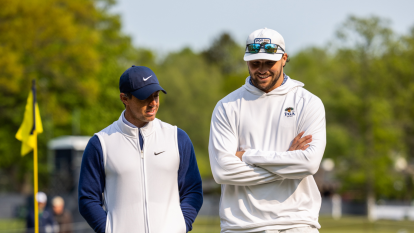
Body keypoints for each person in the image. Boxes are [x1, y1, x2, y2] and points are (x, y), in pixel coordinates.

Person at [209, 28, 326, 233]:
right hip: (241, 226)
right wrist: (288, 162)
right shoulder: (227, 106)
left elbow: (309, 163)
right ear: (247, 62)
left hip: (297, 224)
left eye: (269, 62)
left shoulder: (308, 103)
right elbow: (222, 171)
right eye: (255, 63)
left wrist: (247, 155)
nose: (261, 69)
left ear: (284, 59)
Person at [78, 65, 203, 233]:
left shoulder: (177, 138)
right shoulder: (100, 143)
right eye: (144, 98)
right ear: (124, 98)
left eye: (156, 96)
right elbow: (87, 199)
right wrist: (109, 229)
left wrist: (181, 225)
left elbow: (193, 190)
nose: (153, 103)